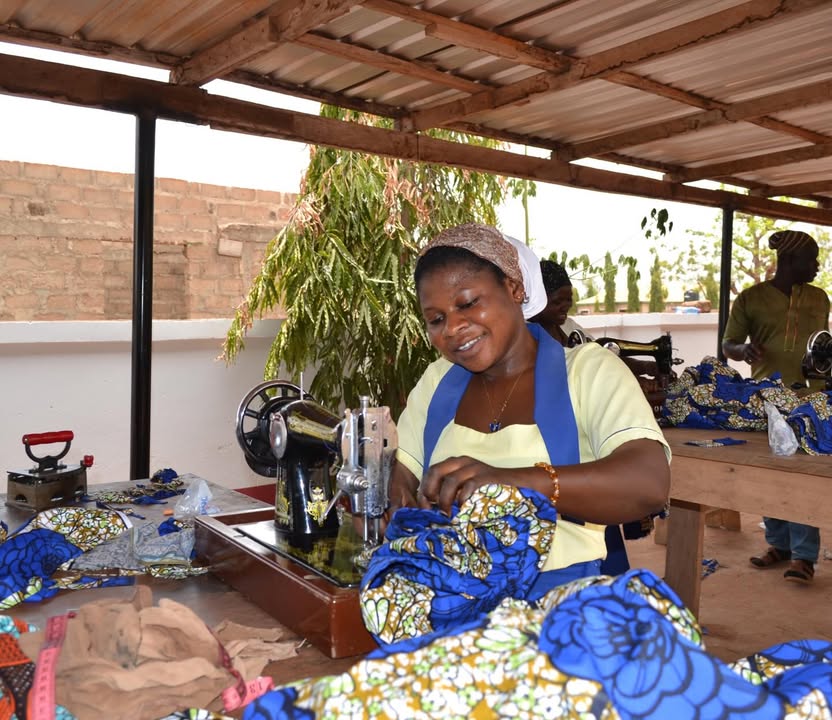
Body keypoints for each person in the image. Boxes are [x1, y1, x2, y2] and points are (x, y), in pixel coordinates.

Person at [386, 222, 670, 597]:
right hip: (454, 592)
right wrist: (392, 500)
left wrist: (514, 482)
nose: (452, 328)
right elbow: (402, 474)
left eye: (468, 304)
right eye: (436, 319)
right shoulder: (438, 381)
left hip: (560, 600)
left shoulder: (587, 372)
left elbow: (649, 484)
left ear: (515, 288)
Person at [721, 229, 829, 584]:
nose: (817, 265)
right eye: (811, 259)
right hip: (768, 399)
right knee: (771, 475)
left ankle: (803, 556)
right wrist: (743, 351)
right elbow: (729, 345)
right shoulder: (750, 299)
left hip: (812, 399)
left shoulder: (820, 298)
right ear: (789, 260)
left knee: (801, 477)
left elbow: (823, 344)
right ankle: (779, 545)